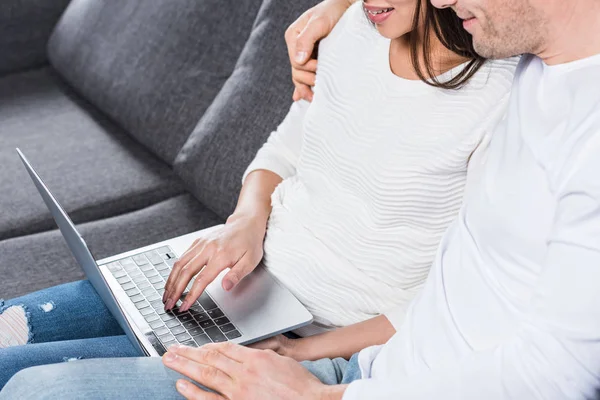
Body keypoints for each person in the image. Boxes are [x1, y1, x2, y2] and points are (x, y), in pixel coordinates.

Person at [2, 0, 599, 398]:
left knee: (28, 385)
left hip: (326, 330)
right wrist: (245, 220)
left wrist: (308, 356)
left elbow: (472, 313)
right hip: (246, 276)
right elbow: (294, 141)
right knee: (9, 333)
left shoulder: (510, 80)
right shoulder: (357, 28)